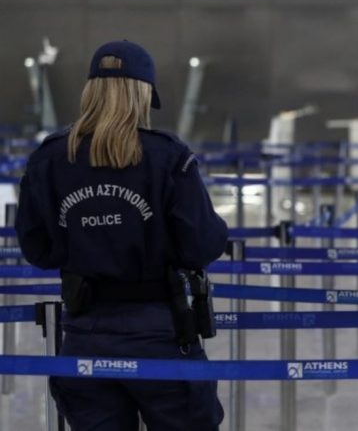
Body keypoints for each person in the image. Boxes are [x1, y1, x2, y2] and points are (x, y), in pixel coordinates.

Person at [15, 40, 228, 431]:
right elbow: (202, 245)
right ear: (142, 92)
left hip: (83, 332)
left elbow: (37, 248)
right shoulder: (167, 157)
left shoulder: (49, 160)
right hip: (160, 331)